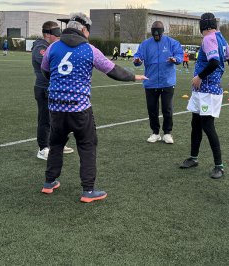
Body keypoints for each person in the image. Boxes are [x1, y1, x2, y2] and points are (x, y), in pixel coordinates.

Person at [40, 13, 148, 203]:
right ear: (83, 30)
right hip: (80, 109)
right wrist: (133, 77)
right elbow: (112, 70)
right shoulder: (90, 50)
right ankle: (88, 190)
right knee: (87, 146)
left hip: (56, 107)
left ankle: (49, 182)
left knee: (56, 144)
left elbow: (45, 70)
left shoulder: (53, 47)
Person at [179, 12, 229, 179]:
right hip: (202, 91)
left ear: (202, 26)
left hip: (207, 91)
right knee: (195, 123)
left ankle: (219, 166)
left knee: (207, 125)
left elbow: (214, 62)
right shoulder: (220, 38)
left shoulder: (209, 38)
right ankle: (193, 157)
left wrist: (199, 77)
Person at [133, 21, 183, 144]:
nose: (156, 37)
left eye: (158, 35)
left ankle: (167, 133)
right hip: (150, 81)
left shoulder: (172, 43)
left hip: (167, 81)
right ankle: (155, 133)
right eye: (154, 35)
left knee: (167, 108)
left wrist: (175, 59)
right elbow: (137, 58)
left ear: (162, 32)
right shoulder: (145, 44)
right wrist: (137, 60)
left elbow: (180, 56)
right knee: (152, 109)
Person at [31, 21, 74, 160]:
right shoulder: (41, 47)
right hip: (44, 87)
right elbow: (47, 61)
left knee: (58, 119)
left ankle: (58, 144)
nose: (59, 37)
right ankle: (43, 148)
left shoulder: (52, 47)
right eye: (56, 34)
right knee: (45, 119)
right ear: (48, 34)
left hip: (54, 88)